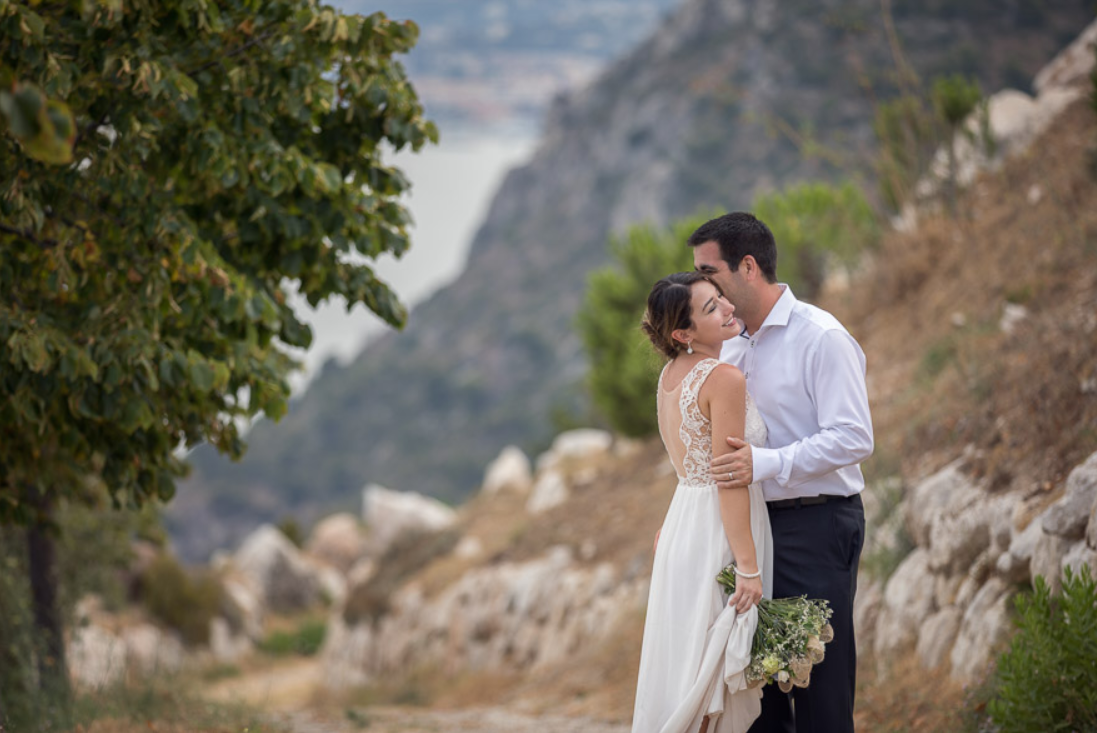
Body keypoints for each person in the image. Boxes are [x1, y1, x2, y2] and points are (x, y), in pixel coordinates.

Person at [688, 212, 874, 733]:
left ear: (747, 267)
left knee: (821, 693)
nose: (701, 284)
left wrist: (766, 464)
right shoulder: (726, 345)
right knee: (756, 697)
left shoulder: (822, 338)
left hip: (816, 528)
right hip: (748, 537)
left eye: (709, 270)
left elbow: (855, 437)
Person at [631, 271, 773, 733]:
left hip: (682, 524)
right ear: (682, 333)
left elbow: (685, 465)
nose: (728, 308)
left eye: (721, 299)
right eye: (711, 308)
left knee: (690, 665)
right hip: (718, 528)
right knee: (713, 672)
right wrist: (748, 566)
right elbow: (727, 478)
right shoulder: (723, 377)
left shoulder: (670, 378)